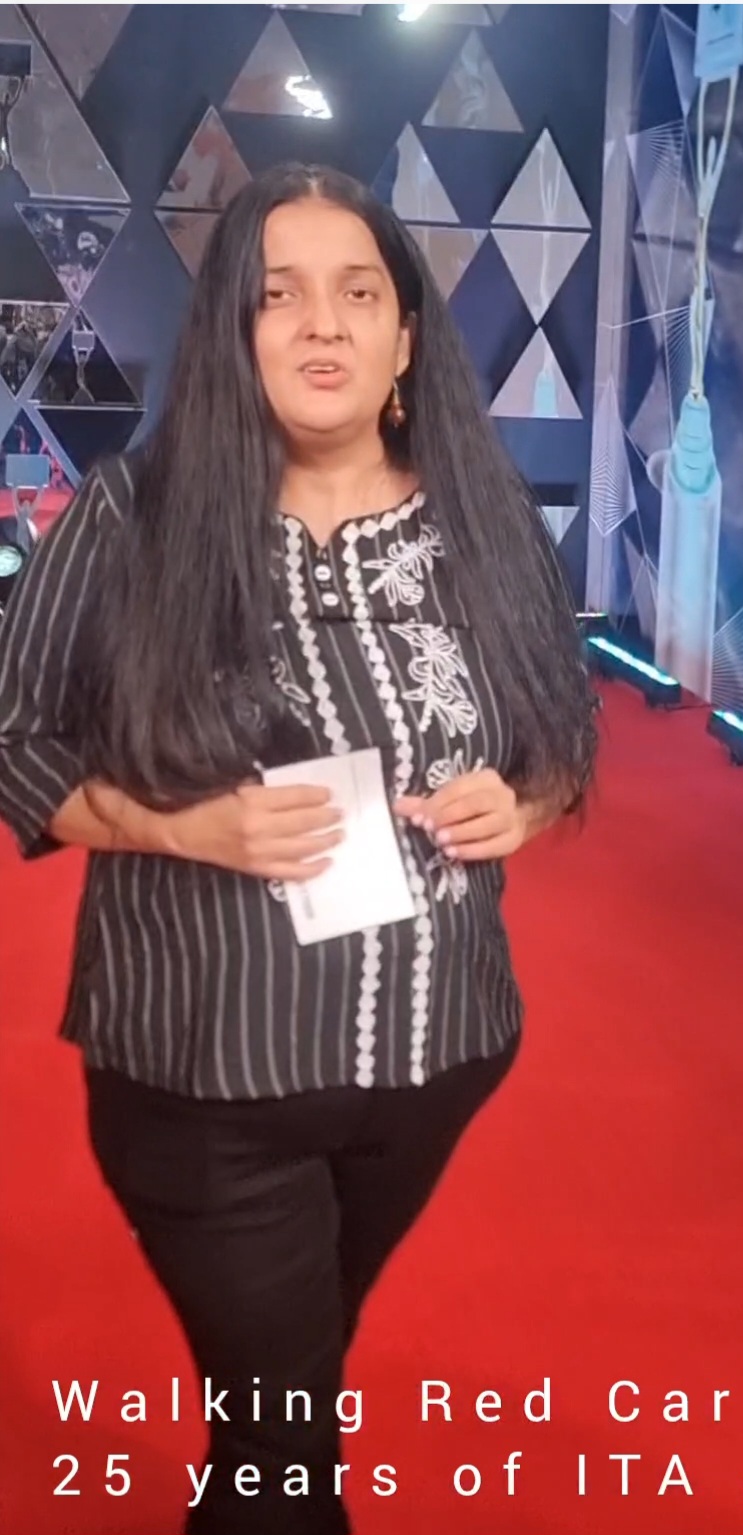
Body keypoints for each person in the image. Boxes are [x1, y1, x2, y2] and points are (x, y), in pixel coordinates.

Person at [0, 162, 597, 1535]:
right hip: (210, 1080)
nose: (323, 324)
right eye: (280, 296)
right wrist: (175, 824)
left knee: (282, 1402)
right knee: (287, 1455)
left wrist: (527, 805)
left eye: (359, 294)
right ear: (233, 330)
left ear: (404, 339)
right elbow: (15, 736)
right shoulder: (134, 519)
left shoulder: (484, 518)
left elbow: (561, 733)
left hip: (439, 1062)